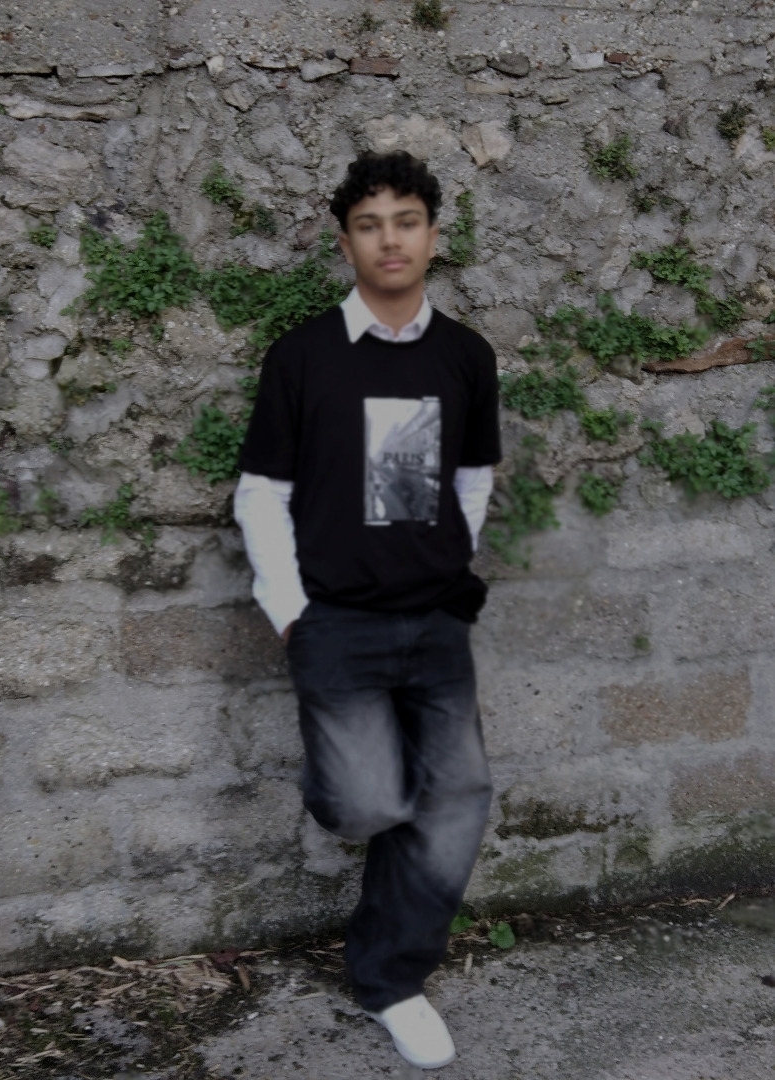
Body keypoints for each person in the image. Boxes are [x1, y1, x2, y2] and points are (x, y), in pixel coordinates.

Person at [234, 150, 501, 1070]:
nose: (391, 240)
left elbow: (472, 475)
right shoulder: (304, 356)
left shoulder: (465, 355)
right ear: (344, 241)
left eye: (407, 221)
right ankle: (353, 785)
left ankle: (391, 978)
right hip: (335, 622)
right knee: (366, 803)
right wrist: (290, 610)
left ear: (432, 234)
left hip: (436, 620)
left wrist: (446, 563)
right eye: (370, 224)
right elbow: (262, 492)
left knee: (457, 798)